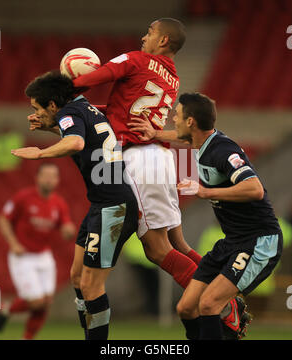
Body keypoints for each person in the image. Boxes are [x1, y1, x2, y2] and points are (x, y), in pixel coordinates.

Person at [72, 17, 244, 337]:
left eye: (150, 32)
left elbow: (98, 76)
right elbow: (116, 111)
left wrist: (64, 86)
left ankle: (221, 301)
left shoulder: (135, 60)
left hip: (139, 159)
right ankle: (221, 287)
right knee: (176, 242)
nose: (143, 36)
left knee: (157, 250)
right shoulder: (172, 76)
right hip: (161, 157)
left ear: (163, 40)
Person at [129, 92, 283, 340]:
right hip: (232, 242)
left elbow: (254, 189)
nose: (173, 119)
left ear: (190, 121)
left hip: (258, 241)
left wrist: (205, 191)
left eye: (177, 115)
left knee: (209, 304)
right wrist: (155, 134)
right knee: (186, 308)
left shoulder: (223, 150)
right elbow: (180, 136)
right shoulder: (203, 142)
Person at [11, 71, 139, 340]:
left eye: (37, 108)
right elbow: (84, 136)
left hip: (113, 207)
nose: (35, 113)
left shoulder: (69, 113)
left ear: (53, 105)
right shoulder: (83, 108)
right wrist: (51, 128)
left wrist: (41, 152)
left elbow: (77, 141)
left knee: (92, 286)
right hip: (102, 205)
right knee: (78, 278)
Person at [0, 162, 76, 340]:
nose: (49, 180)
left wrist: (68, 230)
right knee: (36, 302)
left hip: (44, 256)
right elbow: (3, 219)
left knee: (45, 302)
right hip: (23, 256)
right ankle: (7, 309)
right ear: (37, 178)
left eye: (53, 176)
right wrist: (13, 243)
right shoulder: (23, 197)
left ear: (57, 180)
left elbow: (66, 226)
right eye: (45, 176)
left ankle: (27, 337)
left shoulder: (58, 203)